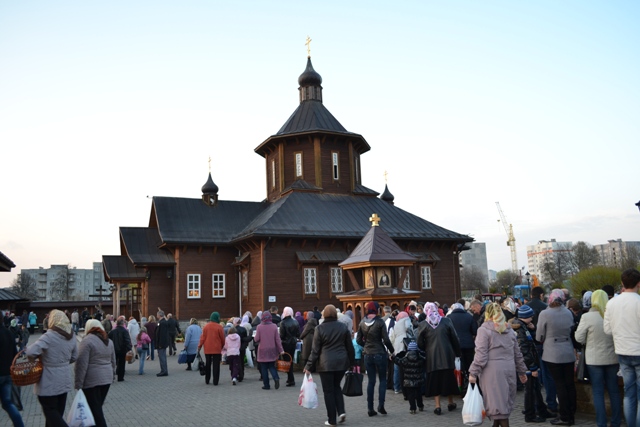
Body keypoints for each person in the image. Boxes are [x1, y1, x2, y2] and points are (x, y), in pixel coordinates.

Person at [469, 302, 527, 427]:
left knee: (499, 410)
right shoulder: (509, 330)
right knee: (501, 406)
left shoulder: (484, 330)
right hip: (509, 369)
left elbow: (481, 355)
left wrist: (473, 372)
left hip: (492, 372)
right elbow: (517, 353)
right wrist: (522, 371)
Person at [575, 289, 621, 427]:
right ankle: (616, 421)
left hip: (594, 359)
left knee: (598, 391)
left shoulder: (587, 317)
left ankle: (601, 423)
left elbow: (579, 337)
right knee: (614, 390)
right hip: (613, 358)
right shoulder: (613, 315)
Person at [304, 304, 354, 426]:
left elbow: (315, 350)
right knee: (337, 386)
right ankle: (341, 411)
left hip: (325, 364)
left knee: (328, 391)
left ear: (324, 314)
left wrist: (309, 366)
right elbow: (350, 347)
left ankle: (332, 420)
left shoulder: (319, 328)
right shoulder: (343, 327)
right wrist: (351, 363)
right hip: (341, 363)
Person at [27, 309, 78, 426]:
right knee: (57, 414)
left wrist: (38, 358)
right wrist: (63, 363)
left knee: (50, 411)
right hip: (64, 378)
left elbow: (30, 352)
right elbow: (75, 356)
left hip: (48, 380)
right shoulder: (71, 335)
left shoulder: (49, 336)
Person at [604, 268, 640, 427]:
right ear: (639, 284)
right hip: (638, 350)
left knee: (629, 393)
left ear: (622, 283)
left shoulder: (611, 303)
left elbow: (607, 330)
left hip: (622, 351)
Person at [536, 289, 576, 426]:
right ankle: (571, 413)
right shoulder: (568, 312)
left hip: (553, 352)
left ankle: (564, 416)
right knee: (569, 384)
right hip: (568, 351)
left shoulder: (545, 314)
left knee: (560, 385)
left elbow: (539, 336)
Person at [509, 304, 554, 423]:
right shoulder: (520, 329)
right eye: (531, 316)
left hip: (528, 364)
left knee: (535, 387)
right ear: (527, 316)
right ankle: (530, 415)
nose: (533, 317)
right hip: (527, 365)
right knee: (530, 390)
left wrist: (532, 329)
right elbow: (524, 350)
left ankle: (541, 410)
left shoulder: (523, 327)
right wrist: (532, 367)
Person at [417, 302, 461, 415]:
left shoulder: (423, 324)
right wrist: (457, 352)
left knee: (435, 381)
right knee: (448, 379)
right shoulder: (446, 321)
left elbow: (419, 343)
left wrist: (426, 348)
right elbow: (454, 338)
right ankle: (450, 403)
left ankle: (437, 406)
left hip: (432, 358)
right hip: (447, 355)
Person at [75, 319, 116, 427]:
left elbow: (81, 364)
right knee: (96, 408)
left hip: (92, 380)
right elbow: (113, 361)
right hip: (106, 379)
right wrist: (112, 375)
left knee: (95, 410)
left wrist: (78, 383)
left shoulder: (87, 341)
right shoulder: (108, 341)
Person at [356, 301, 394, 417]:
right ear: (376, 310)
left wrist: (366, 345)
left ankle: (370, 408)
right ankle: (381, 405)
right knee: (382, 379)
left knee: (371, 381)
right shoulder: (380, 322)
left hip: (367, 354)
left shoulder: (362, 322)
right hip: (380, 353)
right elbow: (386, 340)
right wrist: (392, 351)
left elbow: (358, 340)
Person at [527, 286, 558, 415]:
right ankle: (551, 403)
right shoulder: (545, 307)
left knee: (533, 374)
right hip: (544, 343)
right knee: (547, 375)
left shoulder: (526, 307)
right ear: (541, 295)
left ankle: (535, 403)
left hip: (530, 344)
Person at [448, 301, 478, 394]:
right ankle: (471, 385)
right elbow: (475, 331)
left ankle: (460, 385)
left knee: (458, 366)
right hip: (468, 345)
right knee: (469, 365)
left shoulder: (449, 318)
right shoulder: (469, 316)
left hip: (455, 346)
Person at [0, 321, 24, 427]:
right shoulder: (8, 333)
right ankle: (19, 425)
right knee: (8, 403)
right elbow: (15, 354)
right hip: (8, 373)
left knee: (7, 403)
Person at [392, 341, 425, 414]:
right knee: (418, 393)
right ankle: (420, 405)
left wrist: (393, 358)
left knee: (411, 395)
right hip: (418, 380)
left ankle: (412, 408)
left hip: (408, 381)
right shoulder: (420, 359)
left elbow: (399, 361)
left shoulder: (405, 359)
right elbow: (425, 360)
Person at [254, 311, 284, 390]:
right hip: (272, 349)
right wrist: (281, 350)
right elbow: (278, 340)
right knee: (271, 366)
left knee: (264, 368)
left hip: (262, 350)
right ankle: (276, 378)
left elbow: (256, 339)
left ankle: (266, 385)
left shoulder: (259, 327)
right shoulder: (274, 326)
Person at [198, 312, 225, 385]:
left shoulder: (206, 327)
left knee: (208, 364)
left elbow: (202, 338)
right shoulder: (219, 327)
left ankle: (207, 380)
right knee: (216, 365)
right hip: (217, 349)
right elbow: (222, 338)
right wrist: (222, 345)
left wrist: (199, 347)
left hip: (207, 349)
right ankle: (215, 381)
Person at [389, 310, 412, 394]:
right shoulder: (406, 319)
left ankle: (396, 387)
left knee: (397, 367)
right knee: (405, 366)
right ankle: (406, 387)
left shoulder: (396, 324)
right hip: (404, 345)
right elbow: (408, 328)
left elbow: (393, 337)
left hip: (397, 346)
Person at [279, 306, 300, 387]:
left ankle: (291, 379)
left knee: (287, 361)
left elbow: (282, 335)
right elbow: (298, 334)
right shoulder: (295, 322)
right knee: (290, 360)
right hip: (293, 343)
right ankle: (289, 378)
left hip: (285, 344)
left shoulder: (283, 323)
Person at [107, 317, 132, 382]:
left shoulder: (112, 331)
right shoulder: (125, 331)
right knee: (121, 364)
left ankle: (112, 376)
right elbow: (127, 340)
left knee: (112, 363)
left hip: (113, 349)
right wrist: (129, 349)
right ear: (123, 323)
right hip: (122, 350)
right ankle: (120, 378)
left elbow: (107, 340)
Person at [155, 310, 170, 377]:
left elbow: (162, 335)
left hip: (161, 344)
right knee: (162, 357)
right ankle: (163, 370)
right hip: (161, 343)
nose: (156, 315)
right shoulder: (161, 322)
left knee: (162, 357)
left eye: (157, 314)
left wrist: (160, 344)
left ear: (160, 315)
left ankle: (164, 371)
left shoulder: (163, 323)